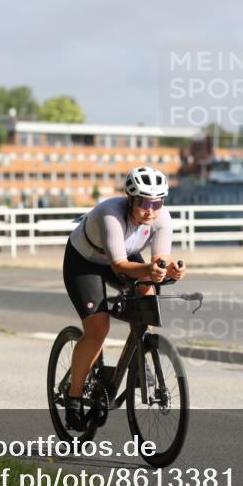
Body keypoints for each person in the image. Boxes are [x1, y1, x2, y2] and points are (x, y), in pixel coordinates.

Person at [61, 166, 187, 430]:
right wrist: (150, 271)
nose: (150, 210)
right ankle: (74, 397)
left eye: (157, 203)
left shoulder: (162, 219)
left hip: (124, 258)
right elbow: (119, 266)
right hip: (85, 261)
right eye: (143, 202)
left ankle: (143, 357)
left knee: (147, 294)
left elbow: (159, 262)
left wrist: (170, 269)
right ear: (130, 199)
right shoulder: (111, 214)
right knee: (98, 328)